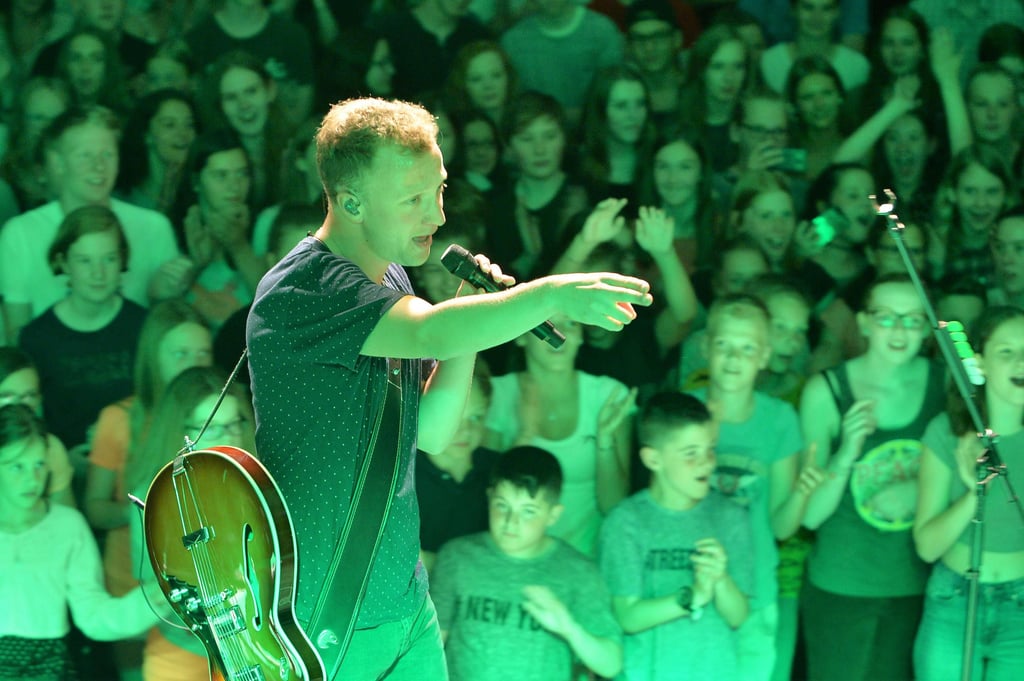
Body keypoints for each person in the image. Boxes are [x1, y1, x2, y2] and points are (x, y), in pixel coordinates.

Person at [245, 96, 652, 680]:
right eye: (412, 199)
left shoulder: (388, 273)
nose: (435, 215)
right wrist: (551, 293)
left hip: (403, 604)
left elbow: (433, 432)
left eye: (437, 189)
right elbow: (427, 329)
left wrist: (473, 311)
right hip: (324, 619)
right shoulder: (306, 290)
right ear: (351, 200)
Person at [798, 273, 947, 681]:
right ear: (862, 322)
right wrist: (846, 453)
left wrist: (919, 487)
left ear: (927, 328)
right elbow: (808, 516)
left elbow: (981, 470)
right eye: (886, 317)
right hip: (842, 584)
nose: (900, 330)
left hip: (920, 585)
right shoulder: (825, 391)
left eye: (913, 319)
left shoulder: (947, 384)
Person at [688, 293, 821, 681]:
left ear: (764, 355)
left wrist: (802, 492)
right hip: (688, 584)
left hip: (754, 589)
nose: (734, 359)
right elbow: (669, 504)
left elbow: (781, 528)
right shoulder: (683, 410)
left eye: (747, 349)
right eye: (724, 346)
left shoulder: (780, 419)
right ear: (705, 348)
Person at [0, 403, 168, 680]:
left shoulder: (67, 526)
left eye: (39, 464)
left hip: (50, 670)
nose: (32, 479)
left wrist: (155, 598)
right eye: (16, 466)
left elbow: (94, 616)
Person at [430, 445, 623, 680]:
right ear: (489, 497)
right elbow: (432, 645)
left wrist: (569, 627)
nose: (511, 522)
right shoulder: (457, 557)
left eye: (528, 511)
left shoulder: (578, 572)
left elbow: (611, 664)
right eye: (502, 506)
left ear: (553, 514)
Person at [599, 391, 753, 681]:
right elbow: (628, 617)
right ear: (653, 459)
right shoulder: (626, 522)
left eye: (710, 449)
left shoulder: (730, 517)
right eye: (690, 454)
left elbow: (738, 616)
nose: (707, 463)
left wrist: (721, 579)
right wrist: (692, 596)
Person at [0, 106, 183, 343]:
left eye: (107, 154)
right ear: (57, 162)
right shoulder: (20, 234)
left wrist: (160, 296)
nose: (98, 166)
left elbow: (168, 333)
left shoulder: (154, 227)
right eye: (84, 155)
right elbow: (17, 336)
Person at [913, 304, 1024, 680]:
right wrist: (973, 492)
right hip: (955, 601)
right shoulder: (947, 432)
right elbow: (927, 546)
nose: (1022, 362)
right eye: (1006, 351)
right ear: (981, 363)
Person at [126, 364, 256, 681]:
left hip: (257, 646)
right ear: (181, 433)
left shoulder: (256, 481)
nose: (230, 437)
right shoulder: (151, 494)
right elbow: (151, 579)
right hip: (182, 652)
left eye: (236, 423)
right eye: (212, 428)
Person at [18, 205, 147, 453]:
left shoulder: (144, 326)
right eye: (84, 260)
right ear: (63, 262)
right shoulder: (36, 338)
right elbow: (27, 419)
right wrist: (61, 459)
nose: (98, 273)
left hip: (133, 462)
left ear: (122, 260)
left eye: (109, 259)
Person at [415, 364, 498, 573]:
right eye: (455, 418)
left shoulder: (498, 471)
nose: (466, 431)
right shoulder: (404, 476)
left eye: (476, 417)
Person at [0, 348, 75, 507]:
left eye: (29, 396)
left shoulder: (50, 446)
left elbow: (65, 522)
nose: (19, 405)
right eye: (6, 396)